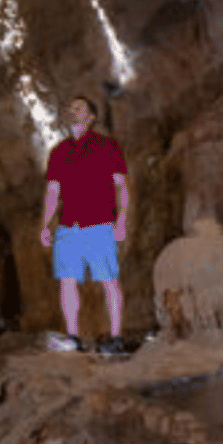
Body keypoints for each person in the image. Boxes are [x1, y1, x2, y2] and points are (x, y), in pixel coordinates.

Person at [38, 95, 130, 353]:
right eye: (70, 108)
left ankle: (116, 337)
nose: (73, 111)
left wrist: (121, 220)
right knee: (67, 281)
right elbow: (53, 192)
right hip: (68, 226)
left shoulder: (107, 146)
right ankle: (73, 337)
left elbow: (122, 186)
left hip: (100, 223)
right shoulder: (58, 152)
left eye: (79, 108)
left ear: (91, 117)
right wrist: (46, 225)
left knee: (109, 281)